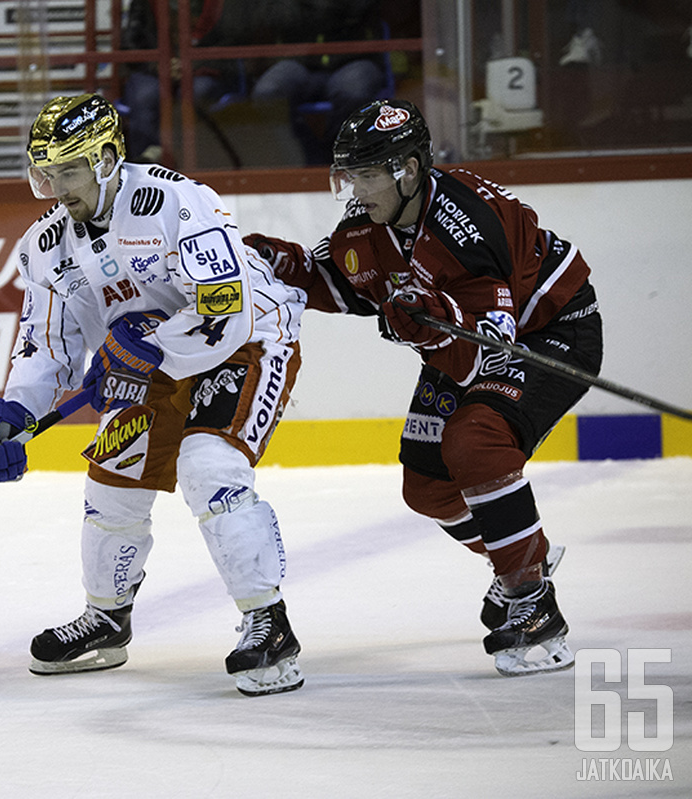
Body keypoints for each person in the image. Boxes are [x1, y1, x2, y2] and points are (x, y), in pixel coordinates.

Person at [244, 100, 603, 677]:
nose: (354, 192)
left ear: (407, 170)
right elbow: (344, 280)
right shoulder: (368, 222)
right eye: (348, 177)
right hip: (472, 338)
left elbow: (485, 352)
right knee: (428, 487)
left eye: (365, 176)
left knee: (475, 440)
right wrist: (277, 262)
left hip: (551, 331)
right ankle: (523, 558)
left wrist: (431, 322)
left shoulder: (468, 225)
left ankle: (534, 605)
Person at [0, 93, 309, 696]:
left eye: (68, 170)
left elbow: (226, 309)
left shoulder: (175, 202)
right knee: (111, 486)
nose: (56, 187)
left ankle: (268, 622)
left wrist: (148, 343)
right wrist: (14, 412)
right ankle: (107, 618)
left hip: (246, 343)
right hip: (152, 363)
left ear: (105, 159)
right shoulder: (45, 247)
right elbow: (45, 343)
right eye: (45, 173)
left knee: (210, 467)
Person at [120, 0, 262, 163]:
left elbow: (237, 37)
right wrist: (157, 65)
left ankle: (196, 163)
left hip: (210, 68)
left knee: (195, 93)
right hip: (156, 69)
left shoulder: (226, 4)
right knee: (146, 95)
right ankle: (146, 167)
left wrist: (192, 63)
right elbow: (130, 41)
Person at [249, 0, 386, 165]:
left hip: (352, 58)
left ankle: (336, 155)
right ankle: (309, 156)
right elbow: (278, 17)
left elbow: (355, 9)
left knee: (352, 92)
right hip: (300, 61)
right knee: (268, 92)